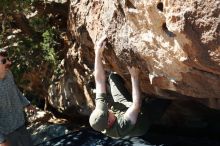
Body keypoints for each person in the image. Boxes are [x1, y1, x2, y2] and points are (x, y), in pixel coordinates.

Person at [89, 35, 170, 138]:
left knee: (113, 77)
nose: (106, 109)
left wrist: (98, 53)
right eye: (107, 112)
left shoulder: (100, 115)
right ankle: (153, 111)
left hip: (123, 107)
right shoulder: (120, 127)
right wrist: (134, 76)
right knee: (163, 98)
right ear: (109, 122)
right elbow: (136, 106)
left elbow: (100, 80)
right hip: (141, 121)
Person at [0, 49, 35, 146]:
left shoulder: (8, 74)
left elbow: (15, 90)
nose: (9, 62)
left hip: (21, 125)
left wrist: (27, 104)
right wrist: (2, 141)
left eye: (8, 59)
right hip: (7, 134)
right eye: (4, 61)